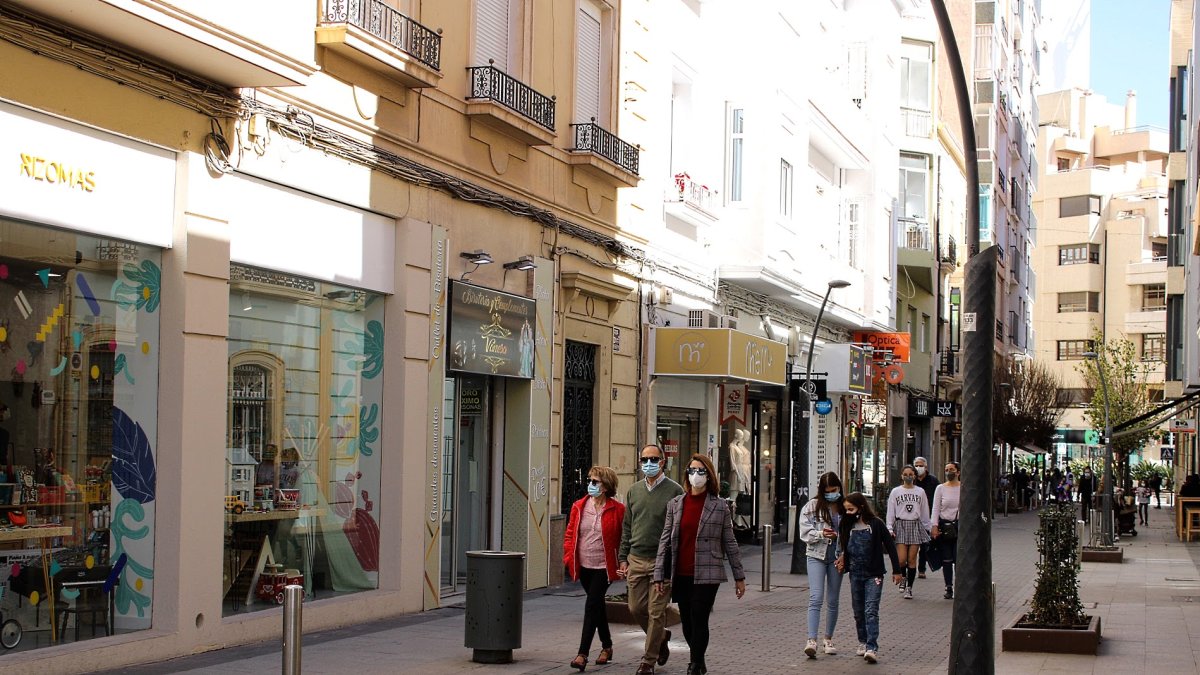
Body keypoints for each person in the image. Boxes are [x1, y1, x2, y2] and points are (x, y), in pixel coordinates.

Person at [653, 454, 746, 675]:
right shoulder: (675, 504)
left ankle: (694, 665)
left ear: (709, 475)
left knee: (699, 615)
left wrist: (739, 576)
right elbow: (665, 540)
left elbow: (729, 541)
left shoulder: (720, 506)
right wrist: (658, 574)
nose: (696, 475)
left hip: (708, 571)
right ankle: (699, 657)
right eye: (692, 470)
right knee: (686, 620)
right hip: (681, 571)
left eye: (701, 471)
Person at [619, 444, 685, 675]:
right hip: (636, 558)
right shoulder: (634, 491)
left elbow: (679, 530)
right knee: (636, 608)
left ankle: (648, 661)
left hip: (662, 561)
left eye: (654, 459)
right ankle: (661, 637)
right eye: (644, 459)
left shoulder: (675, 491)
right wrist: (623, 558)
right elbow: (627, 526)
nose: (648, 463)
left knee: (657, 612)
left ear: (663, 462)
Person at [564, 466, 626, 671]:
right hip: (584, 565)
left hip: (604, 567)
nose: (590, 485)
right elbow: (570, 534)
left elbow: (624, 538)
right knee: (597, 605)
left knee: (591, 605)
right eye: (590, 480)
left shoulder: (618, 510)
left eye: (595, 481)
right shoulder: (579, 506)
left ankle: (582, 654)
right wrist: (567, 557)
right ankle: (607, 647)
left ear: (607, 486)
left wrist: (624, 561)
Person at [835, 492, 902, 664]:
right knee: (858, 611)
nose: (848, 513)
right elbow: (843, 547)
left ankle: (872, 646)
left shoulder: (876, 524)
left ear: (861, 507)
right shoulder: (847, 525)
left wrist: (897, 570)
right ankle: (863, 641)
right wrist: (842, 560)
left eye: (851, 509)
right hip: (855, 574)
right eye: (846, 510)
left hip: (874, 574)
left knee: (870, 610)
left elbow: (890, 546)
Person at [797, 472, 845, 658]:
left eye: (834, 490)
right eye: (827, 492)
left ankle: (828, 638)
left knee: (833, 600)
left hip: (837, 556)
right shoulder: (811, 507)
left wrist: (844, 551)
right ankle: (812, 639)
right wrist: (821, 534)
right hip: (816, 554)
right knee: (816, 597)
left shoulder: (844, 507)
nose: (831, 494)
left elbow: (850, 532)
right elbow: (804, 533)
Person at [885, 465, 930, 599]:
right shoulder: (896, 491)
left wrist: (927, 527)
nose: (908, 476)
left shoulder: (920, 491)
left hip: (915, 524)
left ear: (915, 476)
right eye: (905, 474)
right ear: (901, 476)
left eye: (911, 474)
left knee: (912, 559)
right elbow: (891, 510)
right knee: (901, 559)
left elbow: (924, 510)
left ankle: (909, 587)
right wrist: (889, 527)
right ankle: (903, 578)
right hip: (901, 524)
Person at [930, 462, 961, 600]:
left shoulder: (964, 488)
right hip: (944, 527)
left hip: (959, 527)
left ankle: (960, 585)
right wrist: (934, 526)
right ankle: (948, 586)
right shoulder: (940, 488)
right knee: (946, 559)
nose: (949, 472)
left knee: (958, 558)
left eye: (952, 470)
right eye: (947, 470)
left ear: (958, 472)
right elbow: (936, 508)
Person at [911, 457, 939, 579]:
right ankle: (910, 566)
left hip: (927, 517)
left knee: (924, 545)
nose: (918, 468)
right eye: (916, 465)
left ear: (926, 467)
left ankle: (921, 569)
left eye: (920, 465)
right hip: (912, 517)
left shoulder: (933, 481)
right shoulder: (911, 480)